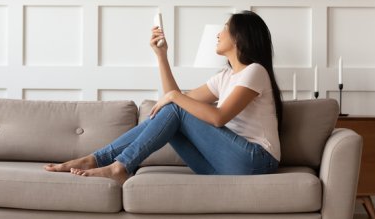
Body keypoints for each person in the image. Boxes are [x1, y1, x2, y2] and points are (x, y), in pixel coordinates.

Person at [44, 10, 282, 186]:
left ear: (240, 37)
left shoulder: (255, 71)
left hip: (255, 162)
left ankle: (116, 165)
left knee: (176, 106)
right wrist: (161, 56)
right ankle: (99, 160)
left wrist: (175, 97)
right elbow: (174, 101)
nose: (218, 34)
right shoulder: (225, 76)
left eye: (225, 28)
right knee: (173, 109)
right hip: (224, 165)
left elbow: (218, 118)